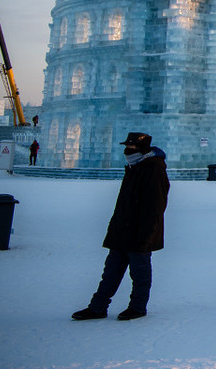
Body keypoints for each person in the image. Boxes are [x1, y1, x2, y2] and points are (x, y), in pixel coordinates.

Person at [71, 131, 169, 321]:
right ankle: (98, 307)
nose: (126, 151)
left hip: (140, 233)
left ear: (141, 149)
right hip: (122, 230)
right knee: (110, 272)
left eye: (130, 147)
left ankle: (137, 307)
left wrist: (147, 235)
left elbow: (155, 206)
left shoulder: (153, 169)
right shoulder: (135, 167)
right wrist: (114, 227)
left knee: (139, 273)